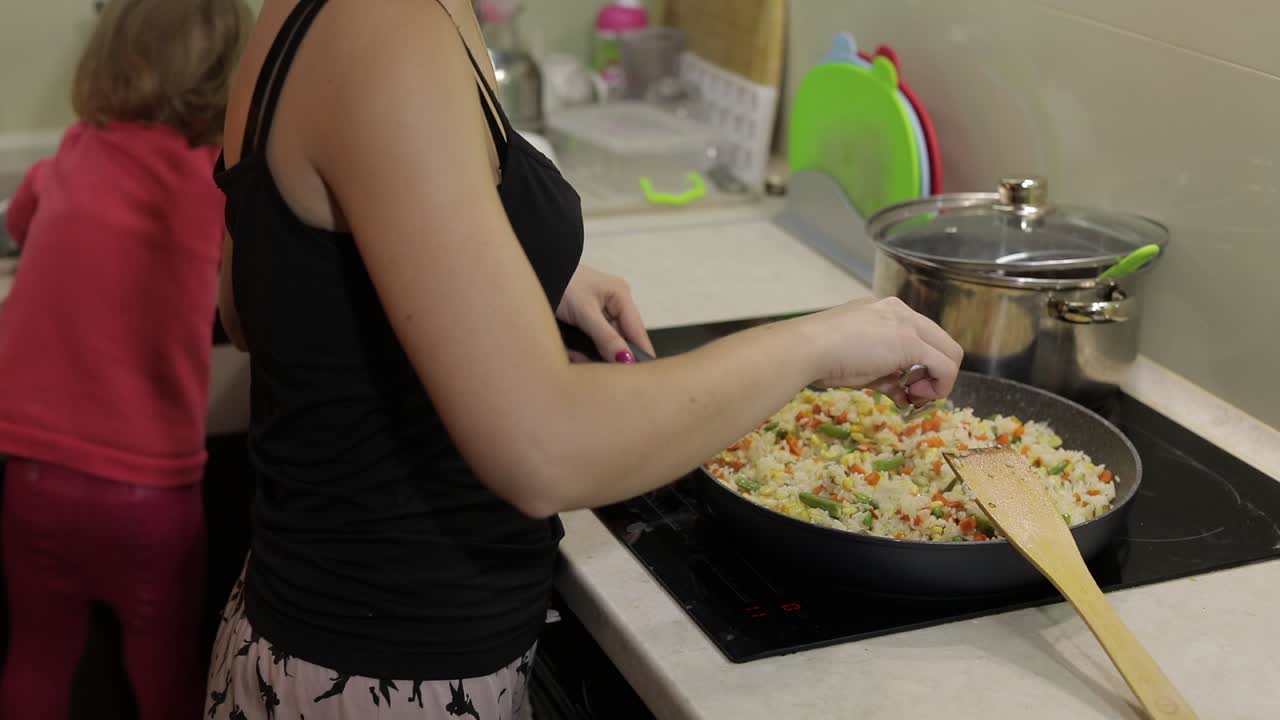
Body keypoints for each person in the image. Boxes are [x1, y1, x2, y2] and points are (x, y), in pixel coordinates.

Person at [204, 0, 963, 717]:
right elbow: (544, 450)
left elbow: (258, 298)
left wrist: (509, 273)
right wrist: (814, 341)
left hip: (313, 639)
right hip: (383, 676)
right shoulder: (387, 31)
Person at [0, 1, 252, 717]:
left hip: (38, 474)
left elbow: (20, 217)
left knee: (39, 652)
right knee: (166, 667)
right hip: (152, 493)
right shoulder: (215, 182)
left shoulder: (77, 150)